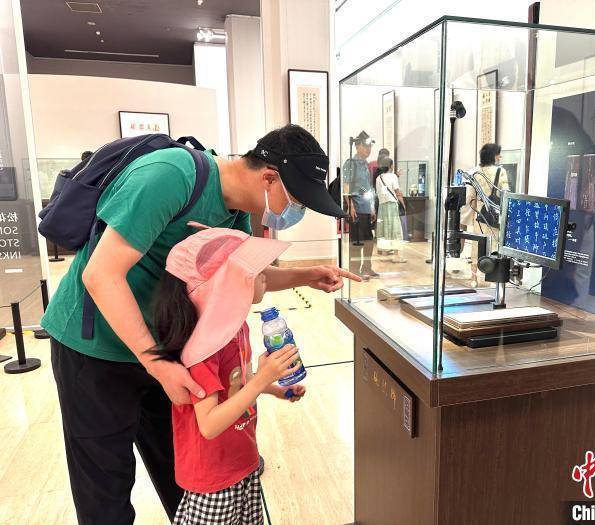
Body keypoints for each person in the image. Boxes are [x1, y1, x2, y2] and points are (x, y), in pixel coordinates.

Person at [42, 124, 360, 524]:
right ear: (268, 178)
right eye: (296, 201)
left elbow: (245, 276)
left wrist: (308, 274)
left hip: (169, 347)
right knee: (105, 489)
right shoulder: (170, 176)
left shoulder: (236, 212)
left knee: (187, 475)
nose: (296, 213)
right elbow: (101, 275)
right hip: (95, 347)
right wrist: (158, 366)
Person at [151, 228, 305, 525]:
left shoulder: (237, 329)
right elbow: (208, 425)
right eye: (255, 272)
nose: (265, 276)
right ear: (226, 287)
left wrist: (274, 387)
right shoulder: (202, 350)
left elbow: (239, 382)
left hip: (242, 460)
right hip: (213, 478)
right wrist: (261, 380)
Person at [460, 143, 510, 283]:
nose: (500, 157)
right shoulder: (501, 171)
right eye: (498, 154)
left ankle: (474, 278)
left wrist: (466, 218)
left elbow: (470, 197)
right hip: (496, 215)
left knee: (477, 245)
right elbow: (505, 193)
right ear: (493, 156)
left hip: (480, 216)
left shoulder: (475, 172)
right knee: (495, 245)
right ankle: (494, 278)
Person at [343, 130, 378, 279]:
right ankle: (354, 270)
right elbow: (346, 185)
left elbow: (368, 188)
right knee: (356, 242)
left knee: (369, 241)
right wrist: (350, 206)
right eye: (365, 146)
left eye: (369, 146)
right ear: (357, 146)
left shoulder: (365, 164)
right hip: (356, 209)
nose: (368, 149)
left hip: (366, 209)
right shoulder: (350, 163)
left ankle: (367, 268)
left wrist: (372, 207)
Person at [374, 157, 406, 263]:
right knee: (395, 229)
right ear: (391, 166)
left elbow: (380, 193)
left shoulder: (378, 178)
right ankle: (396, 256)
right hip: (392, 205)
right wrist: (403, 204)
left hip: (382, 207)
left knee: (384, 229)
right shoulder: (393, 176)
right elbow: (397, 192)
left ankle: (384, 255)